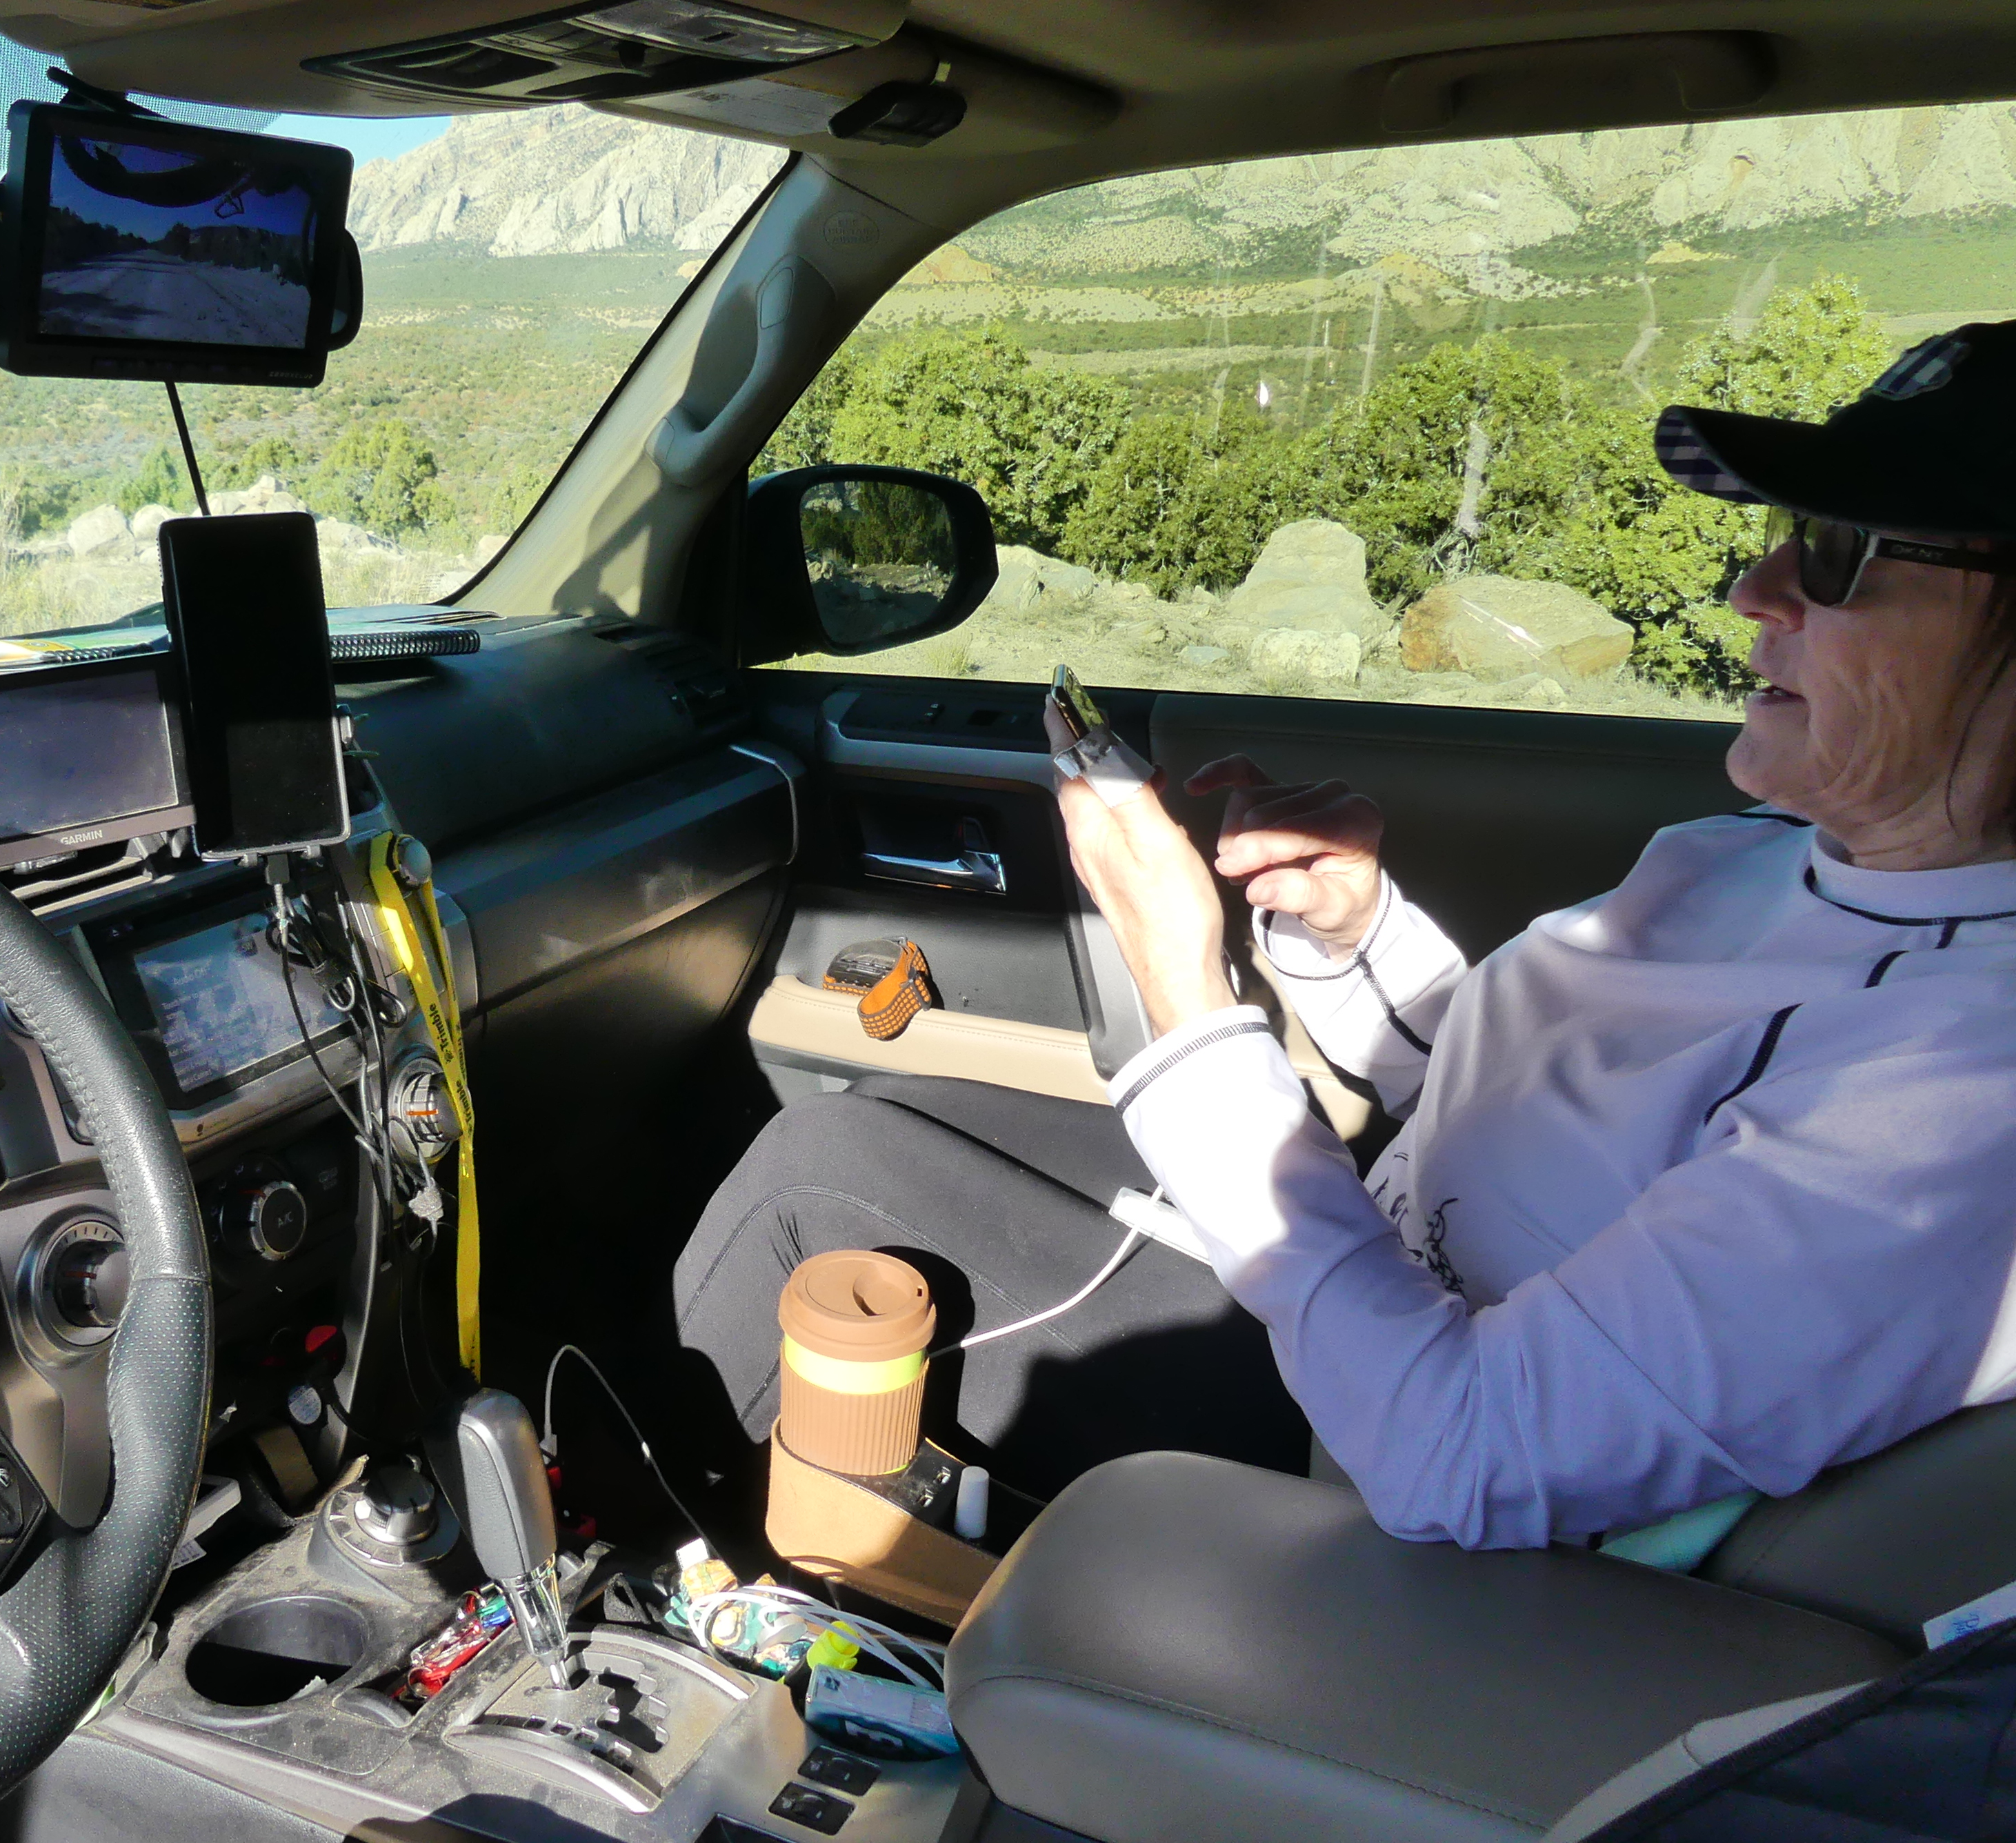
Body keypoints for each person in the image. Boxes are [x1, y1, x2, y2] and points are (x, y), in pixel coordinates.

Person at [675, 319, 2016, 1551]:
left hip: (1369, 1443)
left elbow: (1463, 1457)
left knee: (815, 1188)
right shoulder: (1755, 858)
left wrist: (1186, 995)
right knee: (863, 1123)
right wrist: (1353, 930)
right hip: (1371, 1276)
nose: (1753, 585)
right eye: (1787, 529)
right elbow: (1521, 1111)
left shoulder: (1958, 1100)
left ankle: (670, 1606)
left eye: (1836, 550)